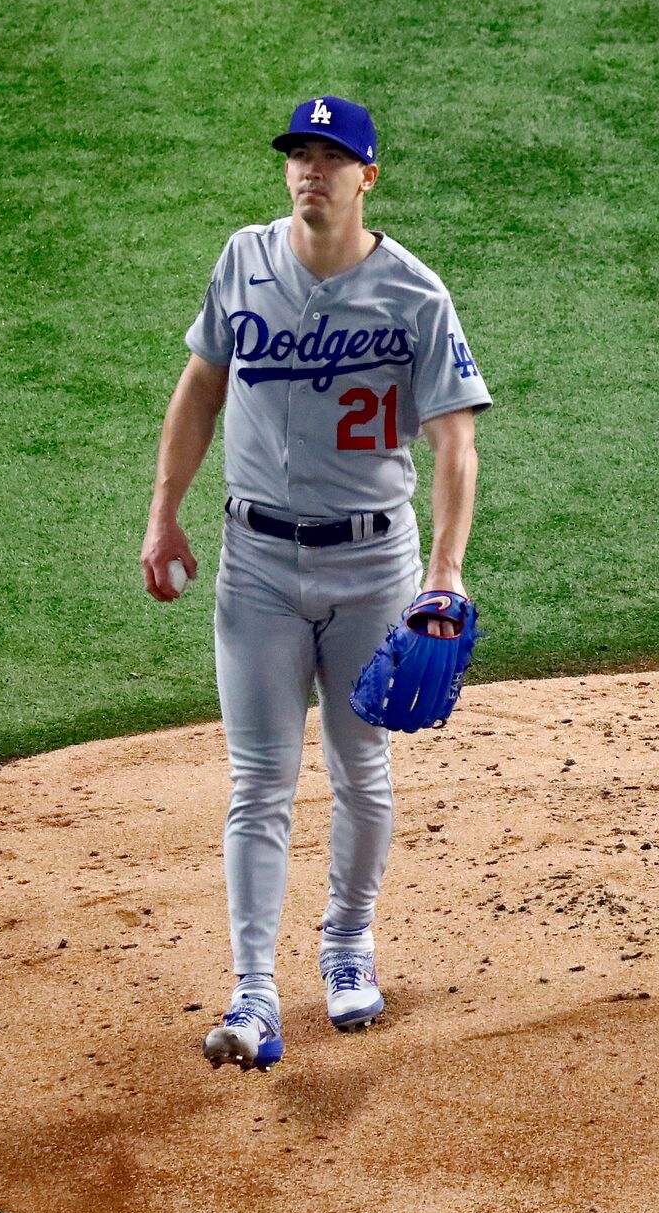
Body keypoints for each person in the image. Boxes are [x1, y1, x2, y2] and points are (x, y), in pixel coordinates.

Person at [138, 97, 491, 1069]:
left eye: (333, 158)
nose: (311, 171)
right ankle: (253, 998)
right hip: (255, 565)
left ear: (367, 177)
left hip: (375, 566)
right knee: (257, 784)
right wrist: (162, 512)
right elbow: (201, 387)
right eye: (300, 154)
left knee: (359, 769)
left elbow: (455, 442)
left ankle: (346, 946)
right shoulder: (243, 261)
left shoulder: (413, 294)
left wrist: (444, 575)